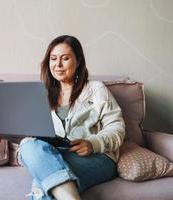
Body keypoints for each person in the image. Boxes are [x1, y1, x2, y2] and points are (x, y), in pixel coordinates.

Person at [18, 35, 125, 200]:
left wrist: (93, 143)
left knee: (42, 184)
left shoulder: (96, 89)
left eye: (65, 58)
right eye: (53, 59)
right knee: (28, 146)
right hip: (56, 155)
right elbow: (33, 135)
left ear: (79, 61)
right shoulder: (41, 95)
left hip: (96, 157)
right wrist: (9, 131)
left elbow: (117, 128)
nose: (58, 65)